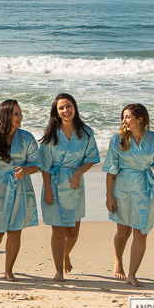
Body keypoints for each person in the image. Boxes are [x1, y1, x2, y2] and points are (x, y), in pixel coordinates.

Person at [0, 99, 41, 282]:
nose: (20, 117)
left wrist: (26, 171)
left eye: (20, 113)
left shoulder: (27, 137)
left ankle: (8, 270)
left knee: (15, 230)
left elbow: (37, 164)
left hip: (20, 188)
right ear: (6, 116)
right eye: (16, 114)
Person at [104, 103, 154, 287]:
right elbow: (110, 171)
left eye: (128, 117)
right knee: (123, 232)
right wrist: (109, 196)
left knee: (141, 233)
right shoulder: (118, 140)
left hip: (146, 189)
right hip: (122, 188)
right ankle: (118, 259)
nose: (124, 121)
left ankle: (132, 275)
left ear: (141, 119)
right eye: (123, 117)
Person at [39, 93, 100, 281]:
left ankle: (65, 255)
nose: (66, 111)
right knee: (58, 230)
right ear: (56, 112)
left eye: (69, 106)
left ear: (75, 107)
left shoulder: (86, 132)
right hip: (55, 184)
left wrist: (79, 173)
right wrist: (47, 188)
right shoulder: (51, 134)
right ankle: (58, 270)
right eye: (61, 108)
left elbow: (92, 158)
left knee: (73, 232)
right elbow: (45, 165)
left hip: (75, 184)